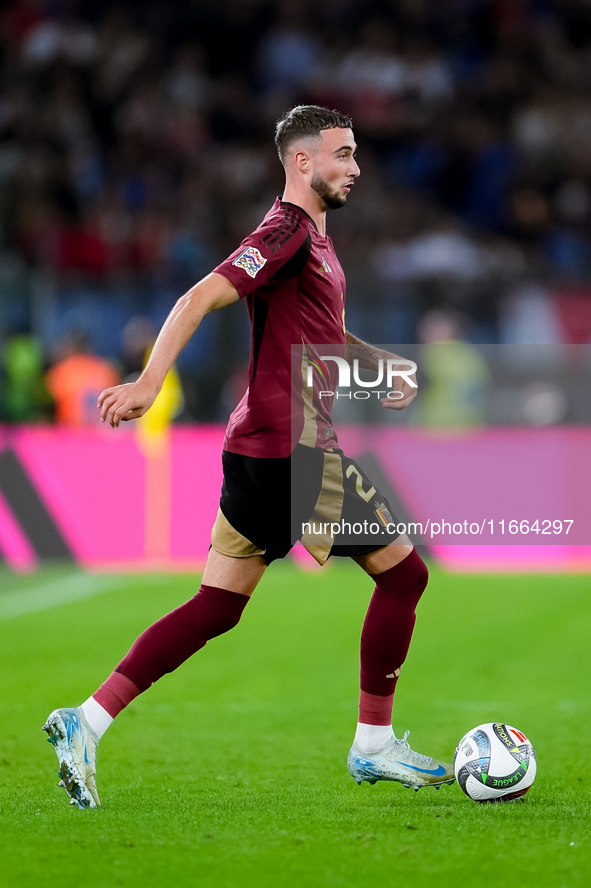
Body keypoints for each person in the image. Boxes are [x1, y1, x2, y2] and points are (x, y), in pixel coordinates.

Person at [43, 106, 454, 808]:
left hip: (259, 449)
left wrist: (380, 364)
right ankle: (373, 744)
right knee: (404, 577)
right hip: (291, 447)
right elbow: (200, 294)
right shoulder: (287, 231)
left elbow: (325, 331)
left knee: (216, 606)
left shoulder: (314, 242)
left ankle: (86, 719)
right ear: (301, 162)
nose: (354, 167)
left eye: (355, 155)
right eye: (342, 154)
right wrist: (149, 381)